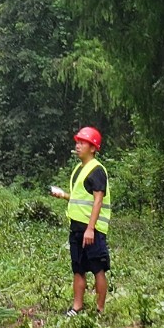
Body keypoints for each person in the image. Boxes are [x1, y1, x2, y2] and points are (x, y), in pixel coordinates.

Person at [50, 125, 110, 314]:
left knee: (98, 269)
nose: (78, 145)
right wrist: (64, 196)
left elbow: (98, 201)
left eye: (83, 142)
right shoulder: (78, 169)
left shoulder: (97, 170)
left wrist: (90, 229)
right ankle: (77, 306)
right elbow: (81, 198)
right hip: (76, 228)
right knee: (78, 268)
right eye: (77, 142)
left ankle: (100, 309)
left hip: (93, 229)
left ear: (93, 148)